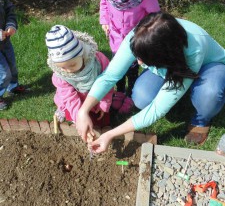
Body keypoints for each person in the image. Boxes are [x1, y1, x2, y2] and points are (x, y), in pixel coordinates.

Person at [76, 12, 225, 153]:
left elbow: (156, 110)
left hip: (210, 66)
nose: (139, 62)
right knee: (142, 97)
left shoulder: (194, 49)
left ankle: (201, 120)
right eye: (137, 56)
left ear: (162, 57)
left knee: (210, 93)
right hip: (169, 65)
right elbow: (110, 76)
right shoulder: (141, 35)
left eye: (143, 58)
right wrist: (83, 111)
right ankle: (179, 93)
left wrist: (110, 134)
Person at [99, 0, 160, 113]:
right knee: (118, 66)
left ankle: (132, 92)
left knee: (132, 67)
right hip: (116, 38)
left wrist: (146, 33)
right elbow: (103, 2)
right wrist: (104, 20)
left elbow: (155, 16)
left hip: (136, 38)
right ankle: (120, 91)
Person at [45, 25, 114, 127]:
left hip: (96, 98)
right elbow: (69, 97)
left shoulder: (98, 62)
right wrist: (79, 118)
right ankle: (63, 110)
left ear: (81, 54)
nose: (68, 70)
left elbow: (107, 83)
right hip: (74, 101)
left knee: (102, 122)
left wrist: (103, 103)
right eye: (63, 68)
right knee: (75, 116)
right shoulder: (60, 76)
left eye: (72, 65)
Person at [0, 0, 28, 110]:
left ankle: (13, 86)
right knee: (4, 73)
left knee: (12, 65)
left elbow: (9, 10)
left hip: (5, 41)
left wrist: (10, 25)